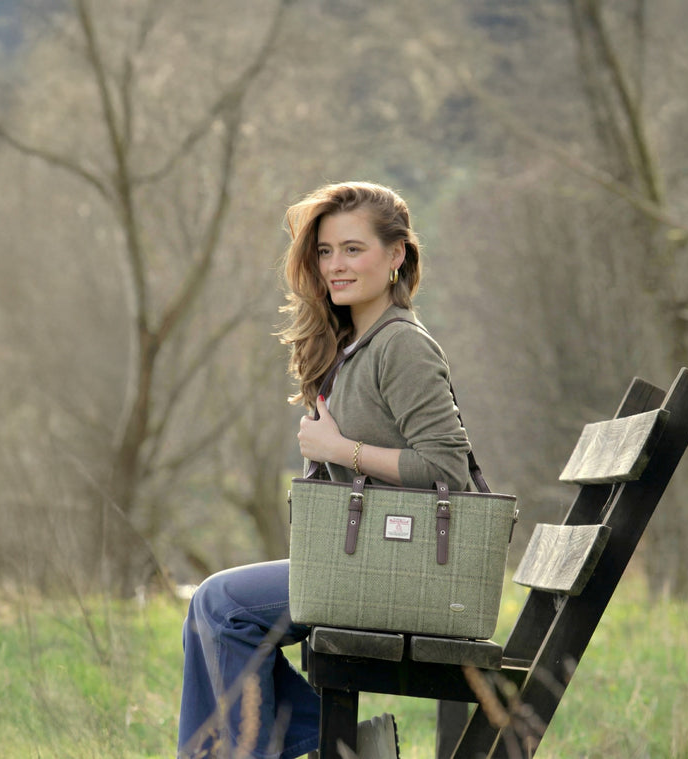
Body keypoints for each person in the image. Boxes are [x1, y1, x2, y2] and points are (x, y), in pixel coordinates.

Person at [177, 181, 472, 758]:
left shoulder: (401, 346)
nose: (335, 265)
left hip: (400, 569)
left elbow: (447, 469)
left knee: (221, 606)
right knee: (214, 609)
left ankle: (327, 740)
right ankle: (332, 740)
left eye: (353, 249)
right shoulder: (354, 346)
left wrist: (341, 450)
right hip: (362, 563)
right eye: (325, 251)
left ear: (397, 256)